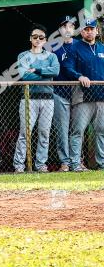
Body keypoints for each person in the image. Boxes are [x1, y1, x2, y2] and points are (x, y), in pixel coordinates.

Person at [13, 24, 60, 173]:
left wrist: (38, 70)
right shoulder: (23, 56)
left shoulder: (52, 56)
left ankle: (41, 165)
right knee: (25, 133)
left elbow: (56, 71)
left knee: (44, 133)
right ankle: (19, 165)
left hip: (47, 99)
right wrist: (45, 74)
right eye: (35, 37)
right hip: (28, 99)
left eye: (41, 37)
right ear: (30, 38)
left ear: (45, 40)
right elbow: (24, 75)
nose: (38, 39)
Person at [63, 18, 104, 171]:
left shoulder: (102, 48)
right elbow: (67, 67)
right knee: (78, 131)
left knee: (102, 132)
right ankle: (75, 164)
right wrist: (79, 76)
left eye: (91, 29)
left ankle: (102, 164)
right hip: (82, 97)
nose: (89, 31)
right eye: (86, 29)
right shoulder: (74, 47)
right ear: (81, 32)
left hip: (102, 98)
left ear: (97, 31)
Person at [52, 15, 77, 171]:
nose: (67, 29)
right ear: (60, 29)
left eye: (70, 26)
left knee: (77, 130)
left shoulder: (81, 45)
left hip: (79, 94)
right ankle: (65, 162)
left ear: (74, 28)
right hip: (60, 92)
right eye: (64, 26)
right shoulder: (52, 46)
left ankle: (77, 160)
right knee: (62, 130)